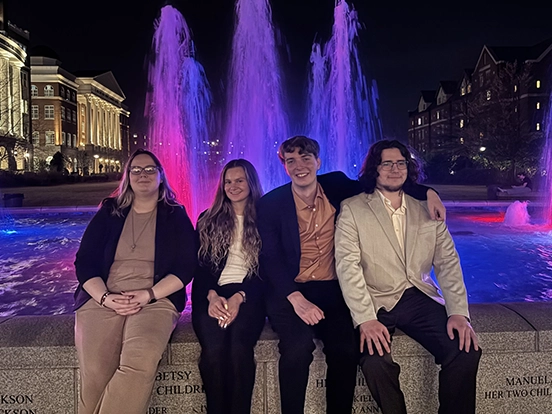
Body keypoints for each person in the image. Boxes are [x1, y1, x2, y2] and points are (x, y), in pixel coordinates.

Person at [256, 135, 446, 414]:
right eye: (291, 160)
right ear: (284, 165)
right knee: (296, 349)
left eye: (306, 158)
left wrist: (428, 192)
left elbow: (381, 183)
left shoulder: (336, 185)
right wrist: (296, 300)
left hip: (333, 290)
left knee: (345, 350)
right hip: (290, 291)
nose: (300, 166)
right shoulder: (270, 204)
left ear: (318, 161)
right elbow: (269, 258)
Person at [334, 140, 481, 414]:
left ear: (408, 168)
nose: (394, 169)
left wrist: (459, 312)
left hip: (417, 297)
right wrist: (365, 319)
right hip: (375, 300)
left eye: (400, 163)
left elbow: (448, 262)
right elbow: (347, 266)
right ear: (374, 169)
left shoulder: (427, 208)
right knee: (375, 363)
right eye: (386, 163)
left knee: (465, 350)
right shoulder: (353, 208)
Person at [74, 149, 198, 414]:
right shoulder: (110, 212)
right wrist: (105, 298)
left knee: (139, 363)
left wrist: (149, 294)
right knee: (95, 375)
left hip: (156, 298)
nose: (143, 175)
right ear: (127, 177)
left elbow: (186, 267)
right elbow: (84, 261)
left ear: (161, 176)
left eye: (150, 169)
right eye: (136, 170)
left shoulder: (175, 215)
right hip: (103, 297)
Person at [192, 159, 266, 414]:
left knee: (238, 350)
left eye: (239, 180)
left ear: (251, 183)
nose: (233, 186)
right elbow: (200, 268)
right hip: (213, 294)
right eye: (228, 181)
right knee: (212, 352)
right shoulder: (208, 219)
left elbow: (267, 271)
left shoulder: (266, 219)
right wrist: (211, 297)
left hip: (249, 295)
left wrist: (239, 297)